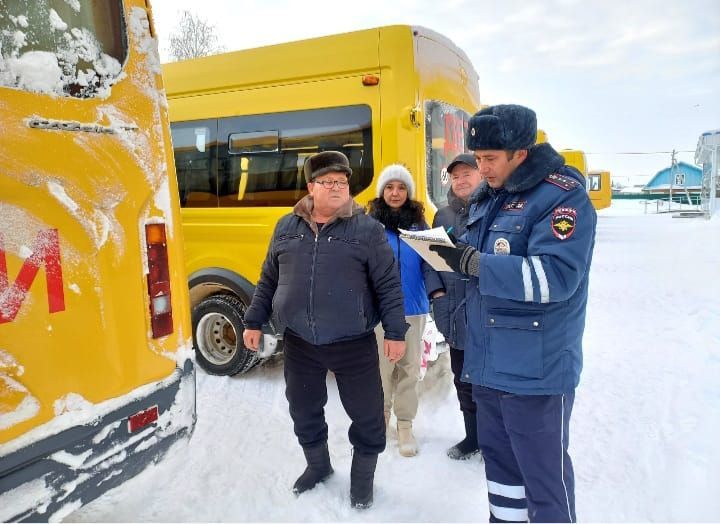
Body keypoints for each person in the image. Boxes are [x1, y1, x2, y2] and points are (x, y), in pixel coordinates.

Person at [431, 105, 597, 522]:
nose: (481, 168)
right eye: (477, 157)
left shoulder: (562, 198)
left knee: (544, 481)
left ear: (520, 153)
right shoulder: (493, 197)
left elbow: (556, 277)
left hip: (535, 372)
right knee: (502, 475)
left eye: (490, 159)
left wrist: (475, 264)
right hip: (488, 364)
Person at [242, 151, 407, 509]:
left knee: (366, 414)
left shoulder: (367, 230)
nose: (337, 188)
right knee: (303, 408)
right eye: (328, 182)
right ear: (310, 187)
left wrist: (396, 332)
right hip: (300, 341)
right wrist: (254, 320)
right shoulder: (286, 227)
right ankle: (318, 466)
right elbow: (269, 278)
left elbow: (389, 286)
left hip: (354, 342)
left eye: (342, 183)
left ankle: (362, 482)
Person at [423, 153, 484, 461]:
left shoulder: (494, 209)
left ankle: (495, 442)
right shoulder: (442, 216)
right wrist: (436, 293)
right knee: (463, 381)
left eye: (467, 174)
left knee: (491, 384)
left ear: (482, 174)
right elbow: (429, 259)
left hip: (486, 315)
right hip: (453, 311)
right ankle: (472, 437)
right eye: (456, 176)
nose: (461, 180)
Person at [367, 164, 430, 458]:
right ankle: (379, 422)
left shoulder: (420, 226)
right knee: (381, 370)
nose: (395, 193)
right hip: (380, 312)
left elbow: (434, 264)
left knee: (409, 369)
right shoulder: (370, 226)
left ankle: (404, 425)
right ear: (382, 191)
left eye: (401, 187)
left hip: (414, 308)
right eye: (390, 187)